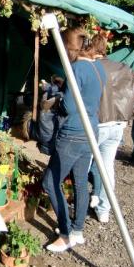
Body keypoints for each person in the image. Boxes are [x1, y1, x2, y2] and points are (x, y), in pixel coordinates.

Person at [42, 26, 106, 252]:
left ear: (70, 48)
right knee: (80, 181)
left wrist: (57, 98)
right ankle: (77, 231)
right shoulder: (99, 68)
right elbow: (87, 97)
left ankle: (66, 233)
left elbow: (69, 106)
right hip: (91, 131)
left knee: (50, 182)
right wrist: (65, 87)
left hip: (73, 133)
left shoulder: (76, 68)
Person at [85, 35, 134, 223]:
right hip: (118, 125)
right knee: (107, 167)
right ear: (105, 49)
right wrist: (130, 101)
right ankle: (103, 211)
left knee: (84, 165)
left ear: (91, 49)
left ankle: (83, 205)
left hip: (97, 124)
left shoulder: (92, 68)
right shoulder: (122, 67)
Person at [38, 75, 64, 155]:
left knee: (47, 132)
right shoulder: (63, 91)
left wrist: (44, 83)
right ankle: (49, 149)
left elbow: (48, 89)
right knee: (53, 133)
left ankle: (46, 149)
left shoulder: (53, 88)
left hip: (49, 113)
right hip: (57, 114)